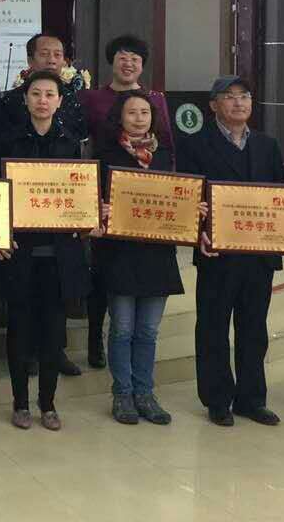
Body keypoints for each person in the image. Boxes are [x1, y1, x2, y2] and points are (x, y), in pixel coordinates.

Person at [177, 76, 284, 427]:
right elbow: (187, 198)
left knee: (254, 328)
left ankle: (252, 399)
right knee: (213, 327)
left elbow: (282, 196)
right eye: (229, 96)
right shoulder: (195, 144)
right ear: (213, 105)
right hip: (216, 252)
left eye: (244, 96)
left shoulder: (268, 145)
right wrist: (197, 232)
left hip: (258, 253)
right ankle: (217, 399)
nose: (238, 103)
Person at [0, 70, 96, 431]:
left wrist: (89, 218)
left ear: (59, 101)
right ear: (25, 99)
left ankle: (49, 404)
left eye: (49, 94)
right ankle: (20, 403)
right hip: (19, 252)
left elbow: (83, 197)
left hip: (60, 256)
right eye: (36, 93)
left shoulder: (73, 145)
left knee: (54, 333)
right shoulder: (8, 143)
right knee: (19, 330)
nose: (42, 100)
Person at [94, 90, 197, 426]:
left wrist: (191, 209)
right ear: (120, 118)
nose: (139, 118)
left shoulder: (165, 154)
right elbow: (91, 200)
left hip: (157, 254)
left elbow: (179, 198)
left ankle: (145, 394)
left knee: (149, 331)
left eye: (144, 112)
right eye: (132, 113)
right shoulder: (105, 155)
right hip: (120, 254)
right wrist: (98, 209)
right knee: (122, 329)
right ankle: (122, 394)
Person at [79, 33, 175, 369]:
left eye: (135, 58)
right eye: (123, 57)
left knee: (144, 325)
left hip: (149, 204)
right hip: (108, 191)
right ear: (112, 61)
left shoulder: (155, 99)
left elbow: (167, 147)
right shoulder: (92, 97)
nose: (129, 63)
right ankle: (95, 339)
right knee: (104, 282)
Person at [0, 34, 88, 143]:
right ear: (30, 60)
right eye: (44, 54)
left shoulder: (72, 99)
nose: (51, 60)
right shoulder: (11, 100)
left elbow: (81, 141)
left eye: (57, 55)